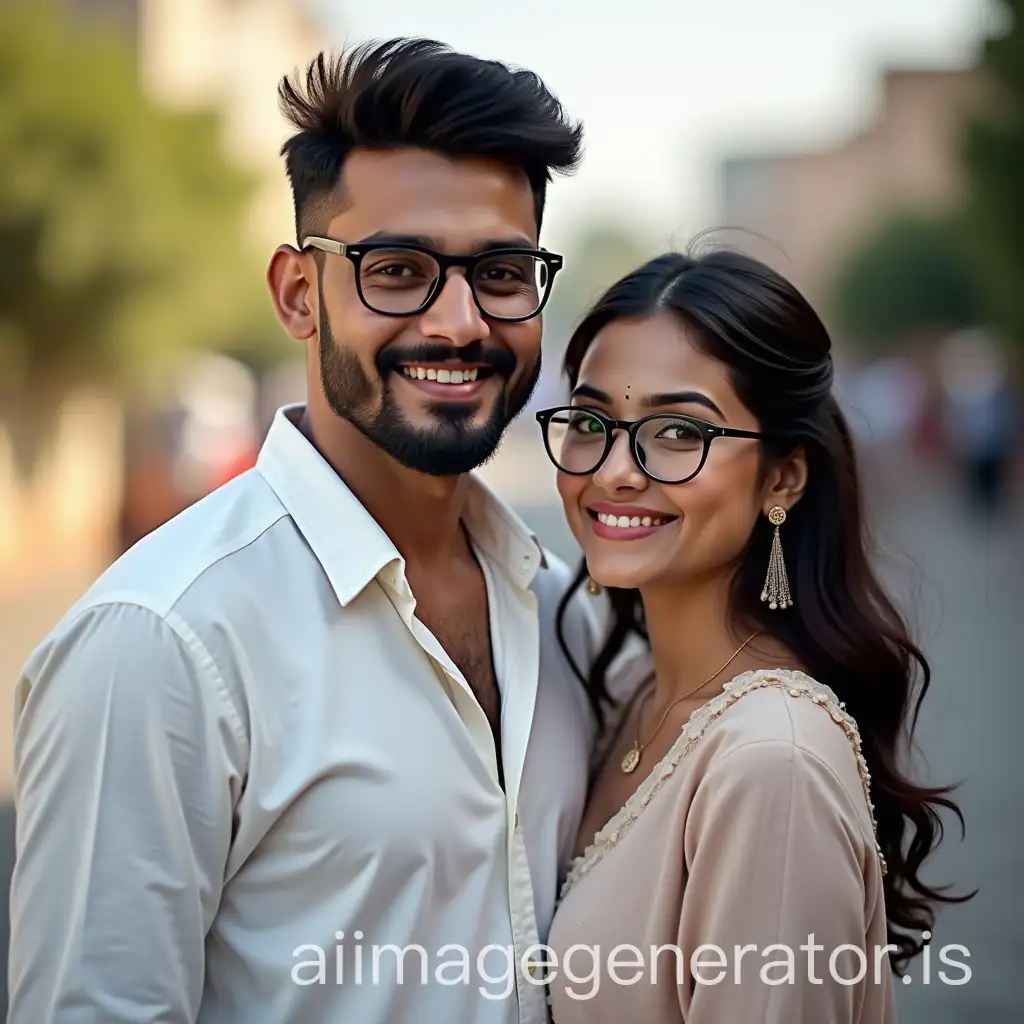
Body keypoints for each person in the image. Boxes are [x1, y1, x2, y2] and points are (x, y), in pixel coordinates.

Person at [8, 39, 641, 1024]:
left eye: (503, 272)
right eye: (398, 269)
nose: (461, 321)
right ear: (300, 294)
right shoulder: (161, 642)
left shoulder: (563, 612)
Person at [533, 250, 969, 1022]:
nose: (615, 472)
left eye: (676, 431)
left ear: (782, 477)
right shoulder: (635, 692)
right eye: (592, 421)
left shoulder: (773, 762)